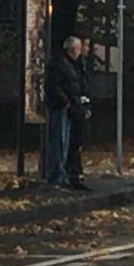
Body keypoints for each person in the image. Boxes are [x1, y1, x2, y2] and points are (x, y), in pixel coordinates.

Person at [45, 36, 86, 186]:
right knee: (59, 141)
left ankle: (61, 174)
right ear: (72, 49)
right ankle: (56, 175)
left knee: (64, 142)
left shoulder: (69, 63)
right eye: (79, 49)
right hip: (60, 107)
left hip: (67, 106)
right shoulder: (61, 64)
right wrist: (66, 101)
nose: (80, 52)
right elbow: (54, 85)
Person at [66, 43, 92, 190]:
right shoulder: (75, 66)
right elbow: (78, 89)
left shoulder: (81, 66)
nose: (87, 49)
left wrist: (87, 107)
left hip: (80, 109)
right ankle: (73, 174)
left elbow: (85, 89)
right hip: (75, 110)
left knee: (79, 143)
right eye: (84, 46)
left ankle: (76, 173)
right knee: (75, 143)